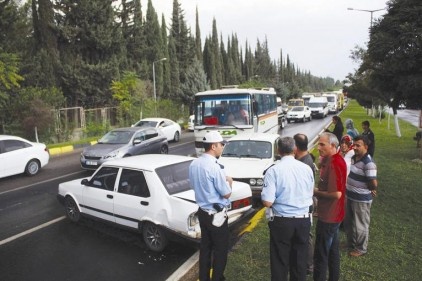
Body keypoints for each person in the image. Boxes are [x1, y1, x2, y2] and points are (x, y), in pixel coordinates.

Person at [261, 137, 314, 281]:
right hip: (303, 220)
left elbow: (267, 201)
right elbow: (310, 193)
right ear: (295, 150)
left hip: (282, 222)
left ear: (278, 150)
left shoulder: (273, 171)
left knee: (280, 261)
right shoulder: (307, 168)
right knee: (299, 262)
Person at [189, 131, 233, 281]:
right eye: (221, 145)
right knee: (220, 250)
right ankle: (218, 278)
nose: (222, 147)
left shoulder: (194, 163)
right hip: (217, 216)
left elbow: (194, 185)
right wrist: (230, 181)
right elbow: (226, 194)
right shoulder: (216, 167)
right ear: (213, 146)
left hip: (202, 212)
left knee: (205, 248)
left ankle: (204, 278)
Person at [313, 132, 347, 281]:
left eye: (322, 144)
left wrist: (315, 192)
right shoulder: (332, 160)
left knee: (321, 255)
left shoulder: (335, 163)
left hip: (329, 217)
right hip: (334, 215)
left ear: (333, 146)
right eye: (318, 143)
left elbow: (336, 194)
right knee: (333, 251)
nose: (318, 147)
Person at [345, 135, 378, 257]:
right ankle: (351, 243)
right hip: (350, 196)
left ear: (366, 146)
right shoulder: (354, 157)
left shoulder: (368, 163)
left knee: (361, 224)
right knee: (349, 223)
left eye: (358, 145)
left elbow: (373, 183)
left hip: (361, 200)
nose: (355, 147)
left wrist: (371, 189)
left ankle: (361, 249)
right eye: (354, 145)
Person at [293, 133, 316, 276]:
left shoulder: (304, 163)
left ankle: (308, 264)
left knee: (306, 236)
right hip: (304, 202)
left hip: (304, 203)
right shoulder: (303, 159)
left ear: (295, 147)